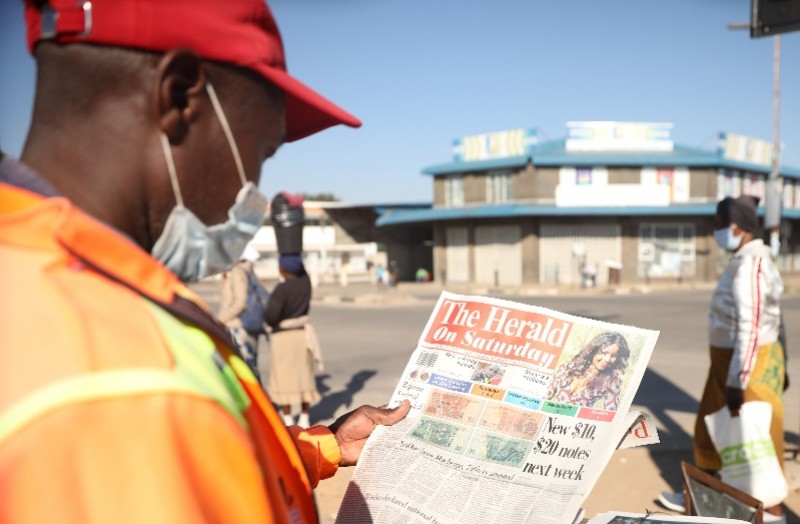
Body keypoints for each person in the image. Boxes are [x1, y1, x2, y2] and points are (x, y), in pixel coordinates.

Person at [0, 1, 410, 522]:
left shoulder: (44, 272)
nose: (250, 194)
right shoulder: (125, 383)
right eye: (257, 153)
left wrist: (323, 445)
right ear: (178, 97)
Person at [660, 195, 785, 521]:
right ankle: (707, 493)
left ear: (736, 226)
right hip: (729, 362)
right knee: (714, 432)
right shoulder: (745, 259)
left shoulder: (752, 264)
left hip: (743, 364)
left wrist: (736, 381)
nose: (716, 230)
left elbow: (752, 326)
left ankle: (771, 510)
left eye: (719, 224)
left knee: (753, 439)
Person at [264, 254, 321, 427]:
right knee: (304, 376)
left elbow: (271, 315)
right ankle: (305, 417)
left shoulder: (282, 289)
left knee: (283, 378)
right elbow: (303, 274)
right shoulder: (306, 284)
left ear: (283, 269)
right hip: (302, 334)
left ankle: (288, 419)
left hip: (283, 337)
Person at [545, 331, 631, 411]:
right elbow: (545, 396)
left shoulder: (611, 380)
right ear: (594, 350)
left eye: (613, 356)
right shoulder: (568, 367)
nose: (607, 359)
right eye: (604, 353)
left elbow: (610, 413)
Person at [218, 245, 264, 373]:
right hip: (240, 326)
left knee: (243, 370)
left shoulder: (238, 272)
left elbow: (240, 302)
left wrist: (220, 319)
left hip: (238, 328)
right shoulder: (243, 272)